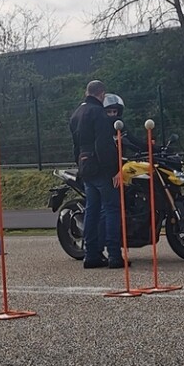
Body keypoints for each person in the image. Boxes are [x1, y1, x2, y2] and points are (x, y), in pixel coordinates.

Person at [69, 80, 124, 269]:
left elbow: (76, 147)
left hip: (85, 167)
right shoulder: (98, 112)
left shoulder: (76, 113)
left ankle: (91, 255)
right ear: (101, 94)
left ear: (87, 92)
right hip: (101, 168)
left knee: (92, 211)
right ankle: (115, 256)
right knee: (111, 209)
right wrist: (116, 169)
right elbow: (104, 145)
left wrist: (81, 166)